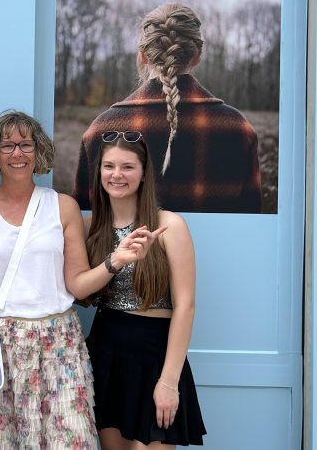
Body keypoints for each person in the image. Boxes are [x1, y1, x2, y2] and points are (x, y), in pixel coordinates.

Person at [0, 111, 160, 449]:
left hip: (59, 343)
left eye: (26, 144)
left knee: (69, 440)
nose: (18, 153)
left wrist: (115, 260)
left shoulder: (62, 206)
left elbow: (76, 285)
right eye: (8, 145)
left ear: (38, 150)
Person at [74, 3, 262, 214]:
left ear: (144, 56)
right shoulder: (238, 128)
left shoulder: (100, 130)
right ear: (197, 55)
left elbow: (84, 222)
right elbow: (252, 215)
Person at [85, 131, 206, 448]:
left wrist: (168, 381)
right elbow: (79, 293)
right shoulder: (91, 229)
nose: (117, 175)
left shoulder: (169, 226)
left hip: (155, 357)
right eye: (109, 166)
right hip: (106, 353)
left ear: (143, 173)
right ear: (99, 172)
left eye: (127, 167)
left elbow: (185, 306)